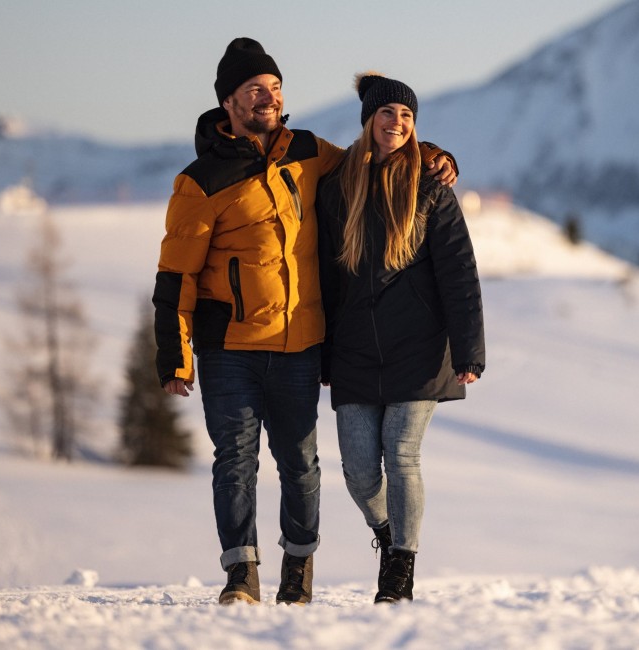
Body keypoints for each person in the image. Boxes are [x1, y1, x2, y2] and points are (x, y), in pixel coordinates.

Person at [152, 39, 458, 606]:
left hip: (299, 344)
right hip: (229, 347)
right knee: (235, 460)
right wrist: (175, 354)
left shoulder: (313, 152)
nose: (267, 98)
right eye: (253, 91)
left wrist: (435, 154)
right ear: (229, 103)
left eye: (273, 87)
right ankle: (241, 575)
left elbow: (381, 152)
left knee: (301, 462)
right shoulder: (200, 181)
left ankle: (298, 569)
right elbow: (176, 275)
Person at [316, 73, 485, 604]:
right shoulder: (335, 187)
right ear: (368, 120)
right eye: (388, 114)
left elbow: (460, 270)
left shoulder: (431, 188)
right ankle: (390, 537)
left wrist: (469, 349)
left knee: (402, 455)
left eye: (407, 117)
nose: (397, 124)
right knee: (360, 469)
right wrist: (320, 351)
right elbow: (322, 273)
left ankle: (399, 574)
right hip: (354, 351)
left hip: (419, 348)